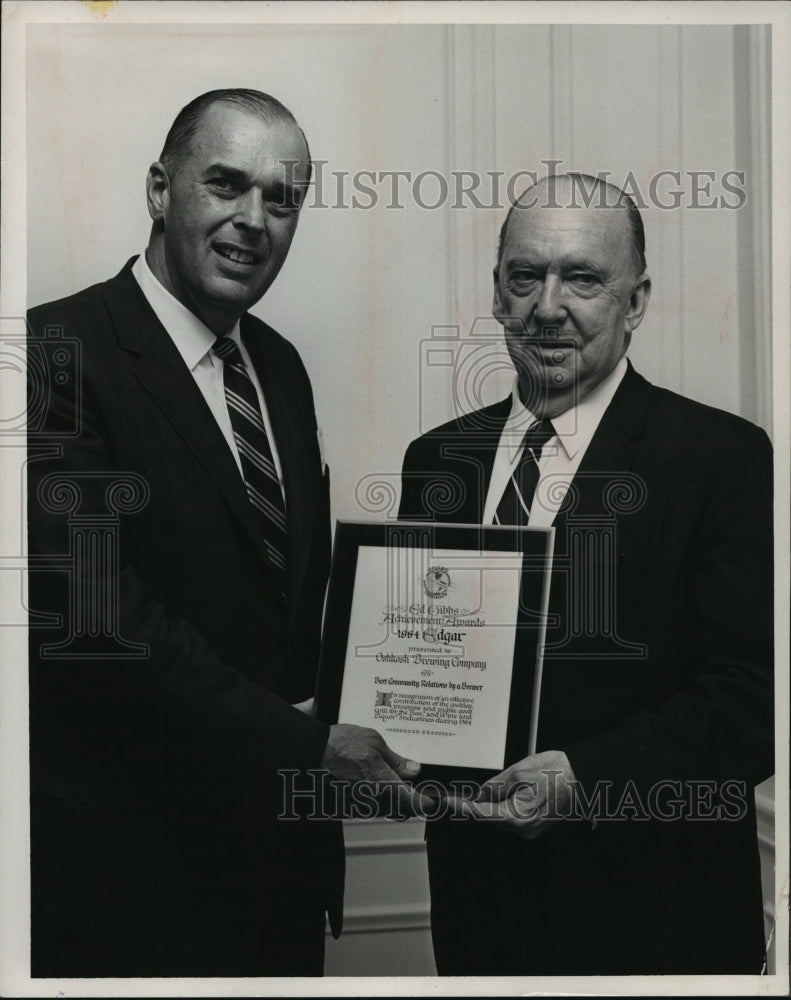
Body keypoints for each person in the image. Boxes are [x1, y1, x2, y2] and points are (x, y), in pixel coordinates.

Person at [27, 88, 423, 978]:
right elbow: (103, 623)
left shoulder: (278, 367)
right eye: (228, 184)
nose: (255, 220)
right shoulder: (54, 353)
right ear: (161, 189)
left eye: (283, 199)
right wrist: (313, 747)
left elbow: (287, 603)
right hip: (125, 882)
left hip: (280, 868)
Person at [398, 173, 773, 975]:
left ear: (633, 301)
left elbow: (754, 701)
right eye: (525, 276)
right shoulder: (435, 461)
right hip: (479, 904)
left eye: (583, 278)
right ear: (497, 294)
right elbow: (420, 660)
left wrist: (584, 778)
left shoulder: (722, 459)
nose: (548, 306)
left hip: (655, 914)